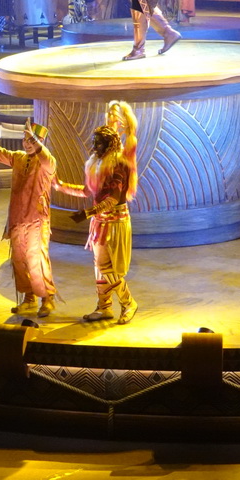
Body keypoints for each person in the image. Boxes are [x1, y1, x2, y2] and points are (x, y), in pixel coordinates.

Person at [0, 110, 62, 317]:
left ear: (40, 142)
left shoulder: (48, 162)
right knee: (19, 261)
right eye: (25, 140)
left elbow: (44, 156)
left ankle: (47, 299)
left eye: (31, 140)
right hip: (18, 219)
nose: (27, 144)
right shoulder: (18, 158)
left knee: (37, 261)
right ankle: (28, 299)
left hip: (37, 220)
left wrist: (36, 141)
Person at [62, 101, 140, 324]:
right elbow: (88, 191)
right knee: (100, 269)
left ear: (108, 144)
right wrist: (59, 185)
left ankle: (128, 303)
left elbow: (112, 199)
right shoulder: (97, 163)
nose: (94, 146)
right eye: (94, 142)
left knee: (108, 268)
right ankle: (104, 307)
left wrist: (87, 213)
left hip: (114, 222)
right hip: (99, 222)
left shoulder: (120, 164)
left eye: (98, 143)